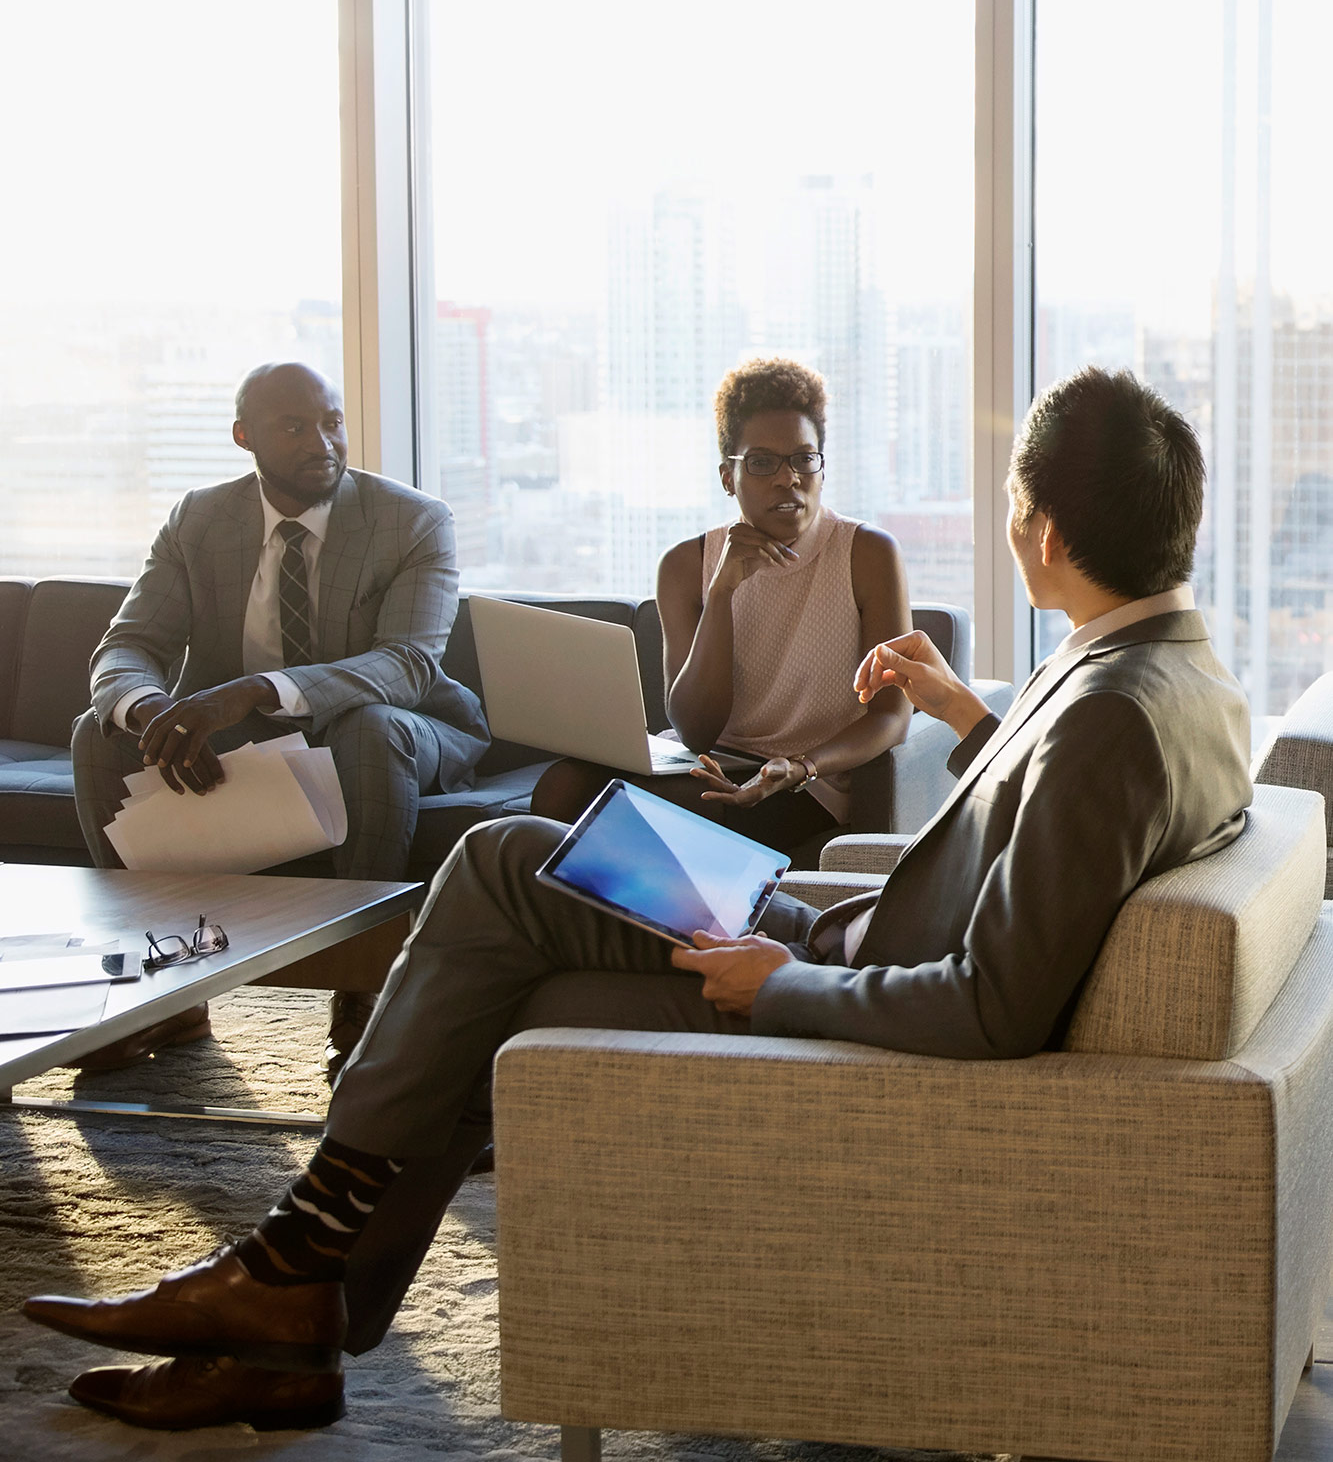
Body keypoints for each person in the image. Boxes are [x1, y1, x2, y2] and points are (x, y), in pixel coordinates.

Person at [26, 366, 1252, 1434]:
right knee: (518, 900)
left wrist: (787, 981)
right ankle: (295, 1297)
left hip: (831, 984)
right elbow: (1050, 833)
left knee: (504, 886)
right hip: (817, 929)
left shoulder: (1107, 717)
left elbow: (993, 1003)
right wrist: (966, 716)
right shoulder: (1164, 672)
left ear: (1036, 526)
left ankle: (292, 1277)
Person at [70, 361, 489, 1081]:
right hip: (252, 737)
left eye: (332, 423)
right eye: (294, 427)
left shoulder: (411, 520)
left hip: (407, 726)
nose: (322, 442)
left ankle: (362, 998)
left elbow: (407, 663)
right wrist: (148, 710)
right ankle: (165, 995)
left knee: (371, 726)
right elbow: (130, 646)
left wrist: (254, 692)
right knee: (97, 733)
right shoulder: (200, 518)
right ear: (245, 437)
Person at [532, 356, 912, 854]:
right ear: (728, 476)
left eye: (803, 458)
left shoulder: (867, 553)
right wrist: (723, 590)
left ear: (821, 466)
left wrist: (800, 766)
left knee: (636, 813)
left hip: (805, 781)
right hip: (707, 762)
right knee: (563, 785)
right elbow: (695, 727)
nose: (787, 479)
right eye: (761, 462)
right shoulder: (686, 565)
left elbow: (891, 715)